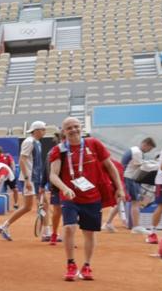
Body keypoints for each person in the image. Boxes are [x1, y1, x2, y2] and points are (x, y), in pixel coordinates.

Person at [48, 117, 125, 281]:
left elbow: (110, 167)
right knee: (69, 228)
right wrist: (65, 188)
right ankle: (71, 264)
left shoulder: (94, 144)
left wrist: (119, 187)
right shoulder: (59, 150)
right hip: (70, 196)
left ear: (81, 128)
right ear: (64, 131)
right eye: (69, 128)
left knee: (89, 233)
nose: (73, 130)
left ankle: (87, 265)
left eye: (76, 126)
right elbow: (53, 175)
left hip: (92, 196)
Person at [0, 120, 45, 241]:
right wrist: (28, 180)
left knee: (44, 203)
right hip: (30, 179)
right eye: (43, 129)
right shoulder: (29, 142)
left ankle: (48, 232)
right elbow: (22, 160)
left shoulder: (37, 143)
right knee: (28, 207)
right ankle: (4, 226)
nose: (44, 131)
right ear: (37, 130)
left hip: (36, 179)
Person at [121, 137, 156, 231]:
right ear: (145, 144)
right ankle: (136, 226)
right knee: (135, 202)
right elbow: (142, 166)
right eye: (149, 149)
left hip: (128, 177)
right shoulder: (137, 152)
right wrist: (156, 165)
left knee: (122, 200)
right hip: (131, 178)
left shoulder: (134, 150)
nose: (148, 151)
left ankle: (108, 223)